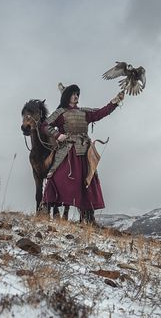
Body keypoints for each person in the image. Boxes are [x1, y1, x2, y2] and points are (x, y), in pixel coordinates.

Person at [40, 84, 124, 224]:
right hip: (67, 151)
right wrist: (57, 134)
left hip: (85, 151)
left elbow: (100, 113)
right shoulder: (60, 112)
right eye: (73, 94)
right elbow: (44, 125)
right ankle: (46, 207)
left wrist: (114, 102)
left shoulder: (84, 112)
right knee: (56, 177)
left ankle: (88, 217)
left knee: (87, 182)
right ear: (67, 96)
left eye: (77, 94)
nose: (76, 96)